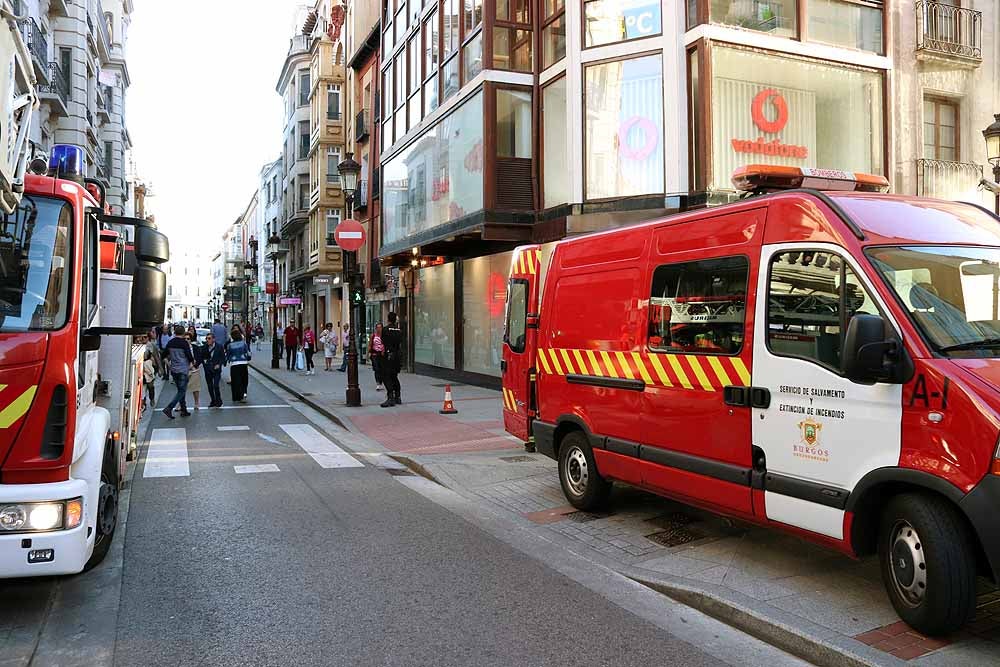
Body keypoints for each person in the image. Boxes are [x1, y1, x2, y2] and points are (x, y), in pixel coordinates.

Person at [162, 325, 194, 419]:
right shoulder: (184, 343)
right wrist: (192, 362)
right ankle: (169, 408)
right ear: (184, 333)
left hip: (174, 370)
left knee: (180, 390)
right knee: (182, 390)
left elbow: (164, 355)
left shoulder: (170, 342)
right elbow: (189, 355)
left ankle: (184, 410)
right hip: (183, 369)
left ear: (175, 332)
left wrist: (169, 365)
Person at [380, 313, 402, 408]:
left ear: (388, 319)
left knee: (386, 376)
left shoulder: (385, 329)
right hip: (397, 355)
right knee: (394, 376)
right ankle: (398, 396)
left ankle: (390, 397)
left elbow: (383, 342)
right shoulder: (399, 330)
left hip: (389, 355)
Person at [226, 329, 251, 403]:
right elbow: (248, 353)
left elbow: (228, 355)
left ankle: (236, 396)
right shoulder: (244, 343)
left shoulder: (230, 345)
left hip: (234, 364)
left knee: (236, 381)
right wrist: (248, 358)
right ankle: (243, 395)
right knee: (244, 380)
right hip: (243, 363)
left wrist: (229, 359)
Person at [202, 332, 226, 408]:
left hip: (216, 370)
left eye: (209, 338)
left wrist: (219, 364)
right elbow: (201, 357)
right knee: (210, 386)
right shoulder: (204, 347)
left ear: (213, 339)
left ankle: (219, 401)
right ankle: (213, 401)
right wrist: (204, 363)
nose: (207, 340)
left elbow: (223, 358)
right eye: (206, 338)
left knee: (216, 385)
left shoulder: (219, 347)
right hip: (208, 370)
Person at [186, 332, 204, 410]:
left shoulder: (195, 348)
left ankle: (196, 402)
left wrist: (195, 365)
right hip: (184, 370)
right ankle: (181, 403)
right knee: (182, 389)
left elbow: (200, 358)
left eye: (188, 339)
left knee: (195, 388)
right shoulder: (181, 349)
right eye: (185, 339)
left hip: (194, 369)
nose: (186, 340)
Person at [369, 323, 385, 392]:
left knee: (382, 368)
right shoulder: (373, 336)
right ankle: (378, 383)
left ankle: (381, 381)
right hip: (375, 354)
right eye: (377, 327)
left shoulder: (384, 336)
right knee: (376, 368)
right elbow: (370, 345)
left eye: (380, 327)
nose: (379, 329)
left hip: (382, 354)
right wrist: (369, 353)